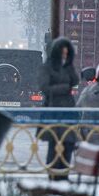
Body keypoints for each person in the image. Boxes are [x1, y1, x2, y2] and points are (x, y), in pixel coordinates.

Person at [38, 37, 79, 181]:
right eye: (63, 53)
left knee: (68, 143)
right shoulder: (47, 67)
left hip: (68, 112)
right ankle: (54, 175)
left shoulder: (67, 66)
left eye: (67, 53)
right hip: (53, 110)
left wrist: (70, 66)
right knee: (55, 144)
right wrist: (63, 88)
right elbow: (44, 87)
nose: (64, 56)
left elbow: (75, 80)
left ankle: (63, 175)